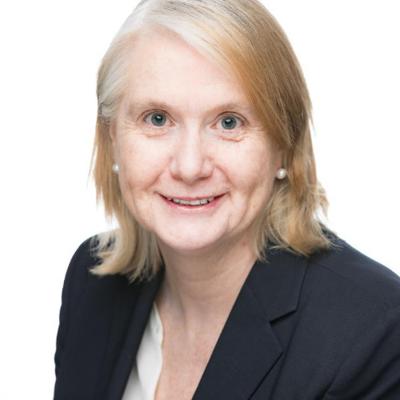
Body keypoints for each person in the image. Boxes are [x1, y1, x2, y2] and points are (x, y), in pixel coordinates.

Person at [53, 0, 400, 399]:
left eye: (229, 122)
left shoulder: (371, 329)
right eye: (157, 118)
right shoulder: (92, 281)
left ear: (284, 146)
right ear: (112, 137)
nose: (189, 166)